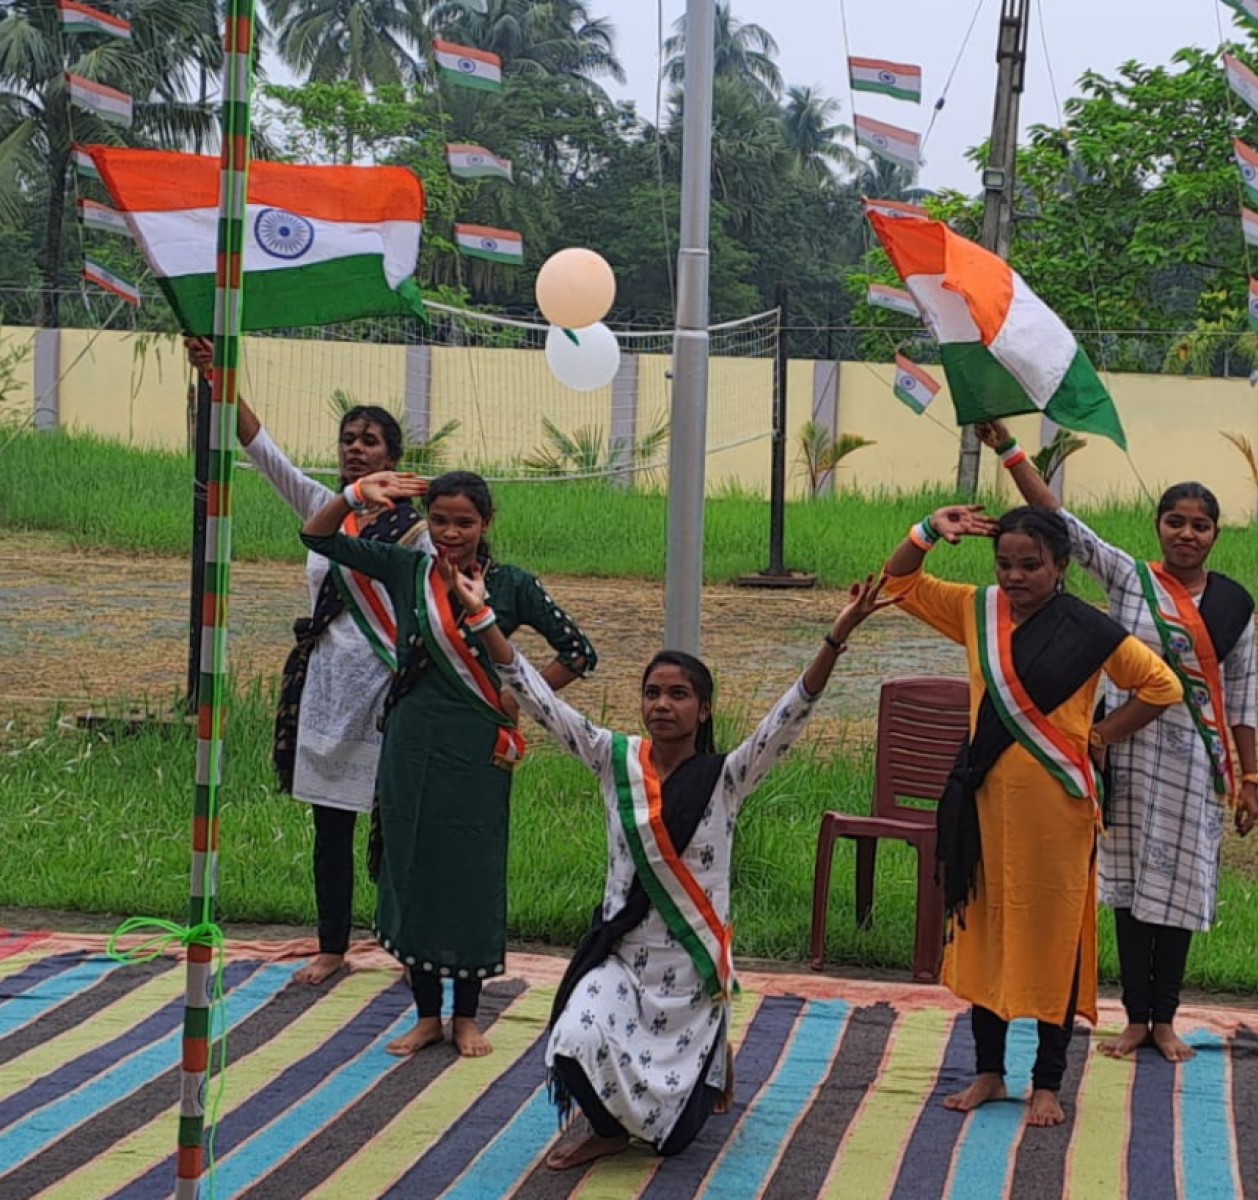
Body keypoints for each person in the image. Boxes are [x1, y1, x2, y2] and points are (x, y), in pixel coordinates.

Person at [472, 572, 893, 1167]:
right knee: (571, 1038)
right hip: (622, 955)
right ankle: (607, 1129)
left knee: (675, 1143)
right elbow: (540, 700)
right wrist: (485, 622)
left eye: (678, 694)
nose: (662, 705)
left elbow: (791, 713)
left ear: (703, 708)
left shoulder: (729, 776)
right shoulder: (611, 758)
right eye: (652, 693)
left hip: (690, 969)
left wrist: (838, 634)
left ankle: (696, 1084)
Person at [883, 504, 1181, 1125]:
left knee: (1053, 939)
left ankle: (1048, 1082)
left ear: (1061, 566)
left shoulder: (1091, 631)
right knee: (986, 932)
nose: (1016, 577)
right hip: (983, 808)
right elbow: (899, 582)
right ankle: (990, 1071)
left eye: (1031, 565)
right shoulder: (977, 610)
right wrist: (930, 530)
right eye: (1006, 564)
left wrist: (1100, 735)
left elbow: (1162, 687)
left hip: (1058, 811)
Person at [982, 419, 1258, 1064]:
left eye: (1200, 524)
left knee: (1181, 887)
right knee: (1131, 885)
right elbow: (1061, 521)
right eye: (1175, 521)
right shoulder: (1129, 578)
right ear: (1158, 526)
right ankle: (1134, 1017)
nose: (1186, 534)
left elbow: (1242, 698)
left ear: (1216, 534)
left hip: (1194, 762)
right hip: (1122, 752)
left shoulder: (1236, 606)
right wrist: (1008, 450)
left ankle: (1167, 1019)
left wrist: (1250, 779)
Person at [300, 468, 597, 1056]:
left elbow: (578, 652)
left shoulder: (510, 585)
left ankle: (467, 1016)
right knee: (415, 867)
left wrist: (521, 697)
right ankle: (427, 1016)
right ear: (425, 522)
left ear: (486, 524)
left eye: (464, 522)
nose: (451, 533)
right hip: (412, 740)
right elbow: (320, 539)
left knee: (471, 871)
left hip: (478, 744)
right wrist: (356, 495)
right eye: (439, 521)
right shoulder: (406, 568)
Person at [185, 336, 429, 987]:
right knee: (330, 827)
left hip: (385, 692)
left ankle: (412, 947)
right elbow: (262, 451)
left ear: (394, 458)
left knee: (400, 829)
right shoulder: (325, 509)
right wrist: (218, 375)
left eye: (371, 439)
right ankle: (332, 945)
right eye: (350, 436)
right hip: (324, 690)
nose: (357, 446)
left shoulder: (416, 531)